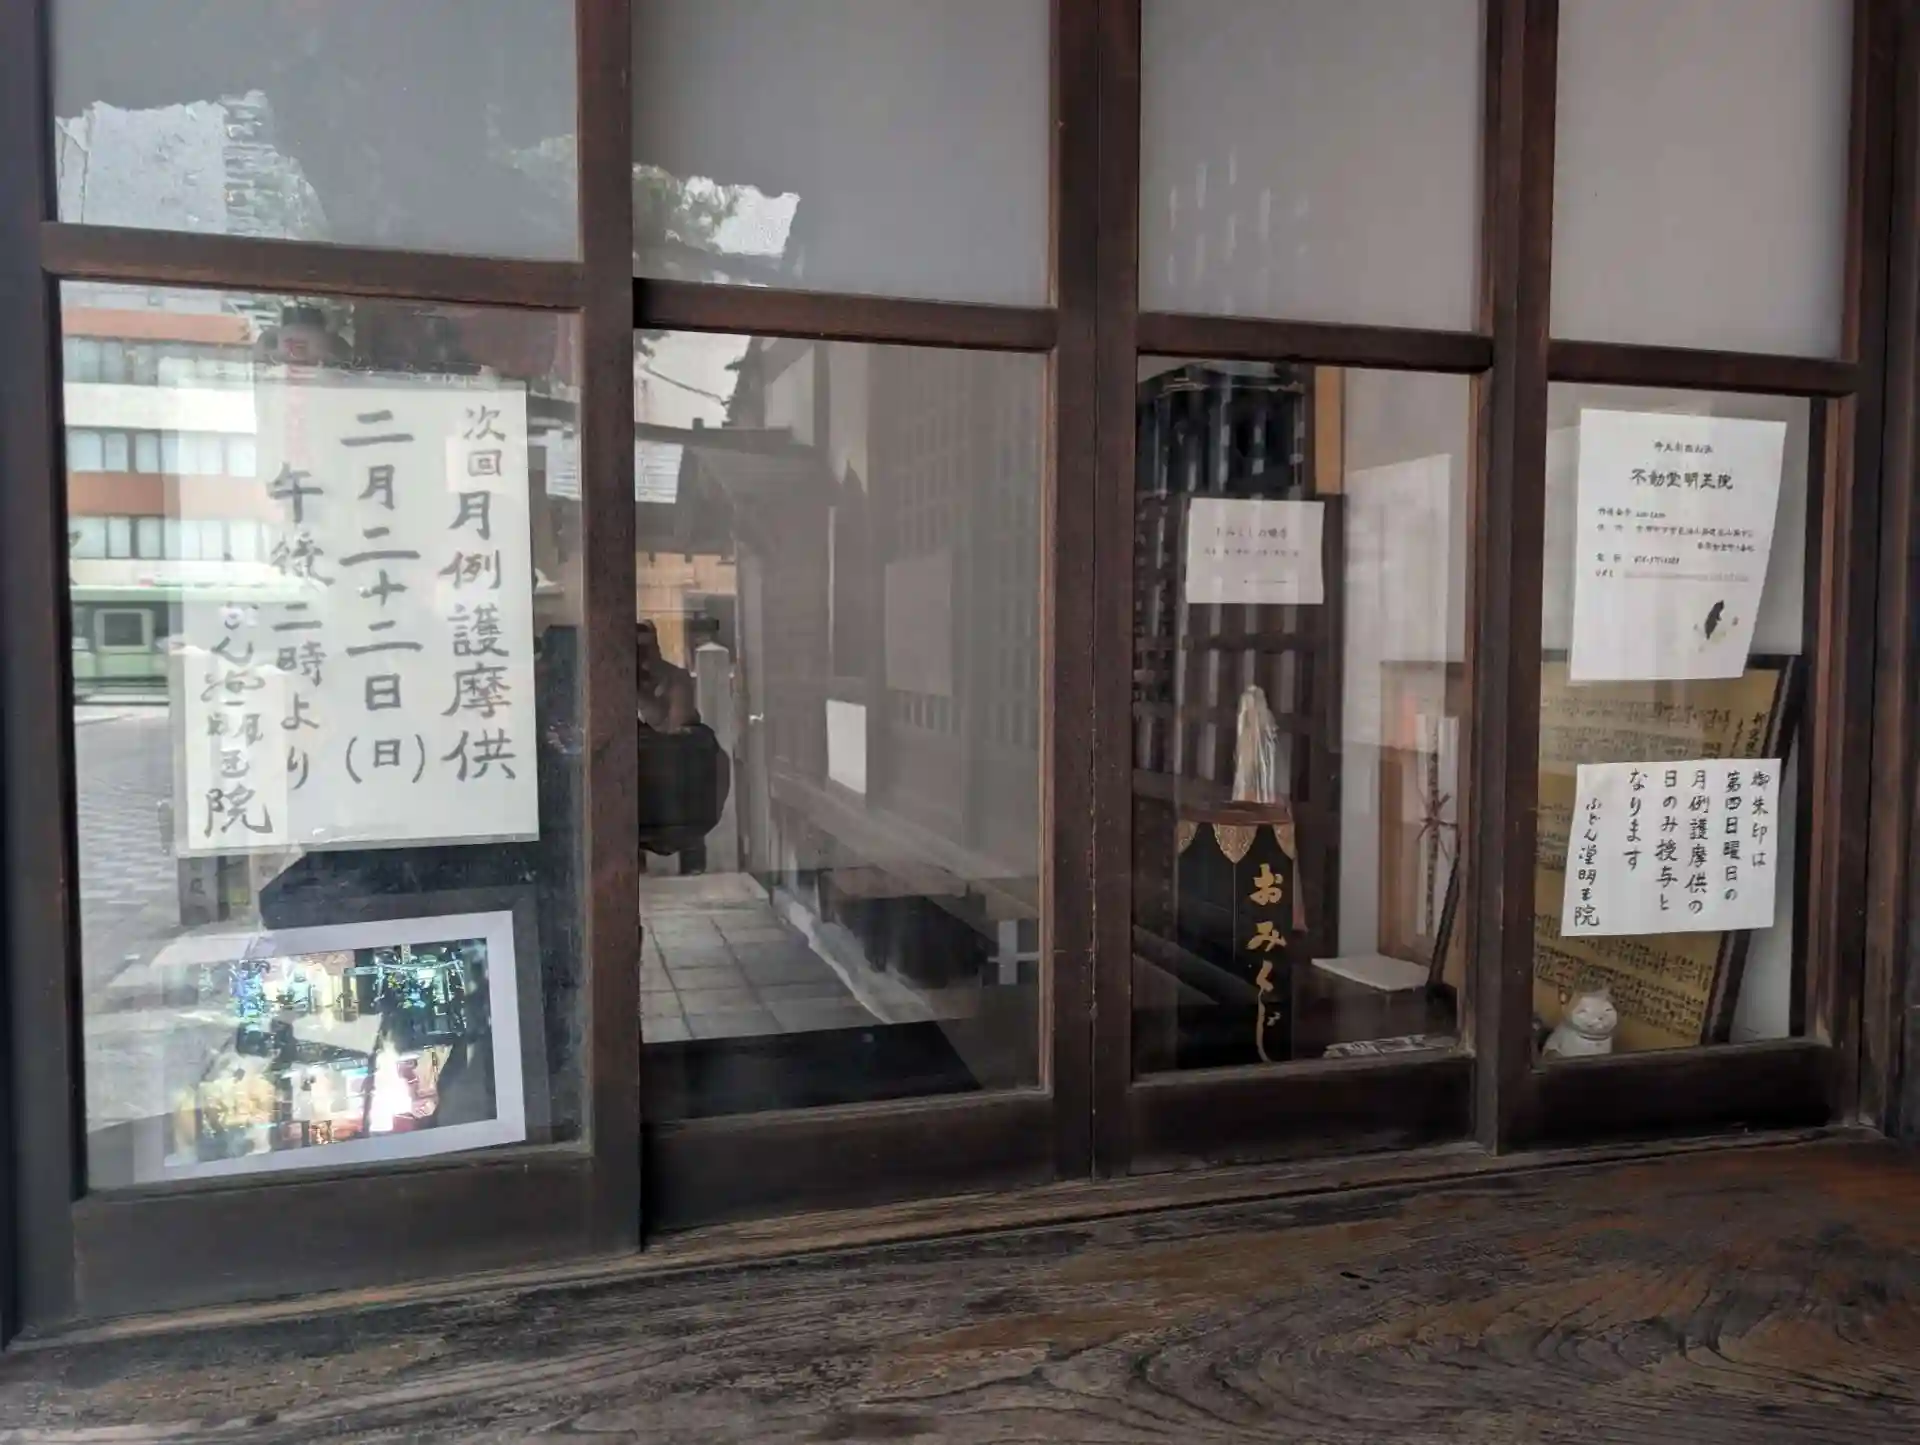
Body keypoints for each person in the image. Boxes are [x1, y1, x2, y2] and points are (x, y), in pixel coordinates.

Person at [635, 620, 728, 874]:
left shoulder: (674, 678)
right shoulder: (617, 680)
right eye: (635, 648)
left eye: (646, 646)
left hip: (678, 772)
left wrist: (640, 694)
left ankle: (692, 861)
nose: (641, 654)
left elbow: (676, 728)